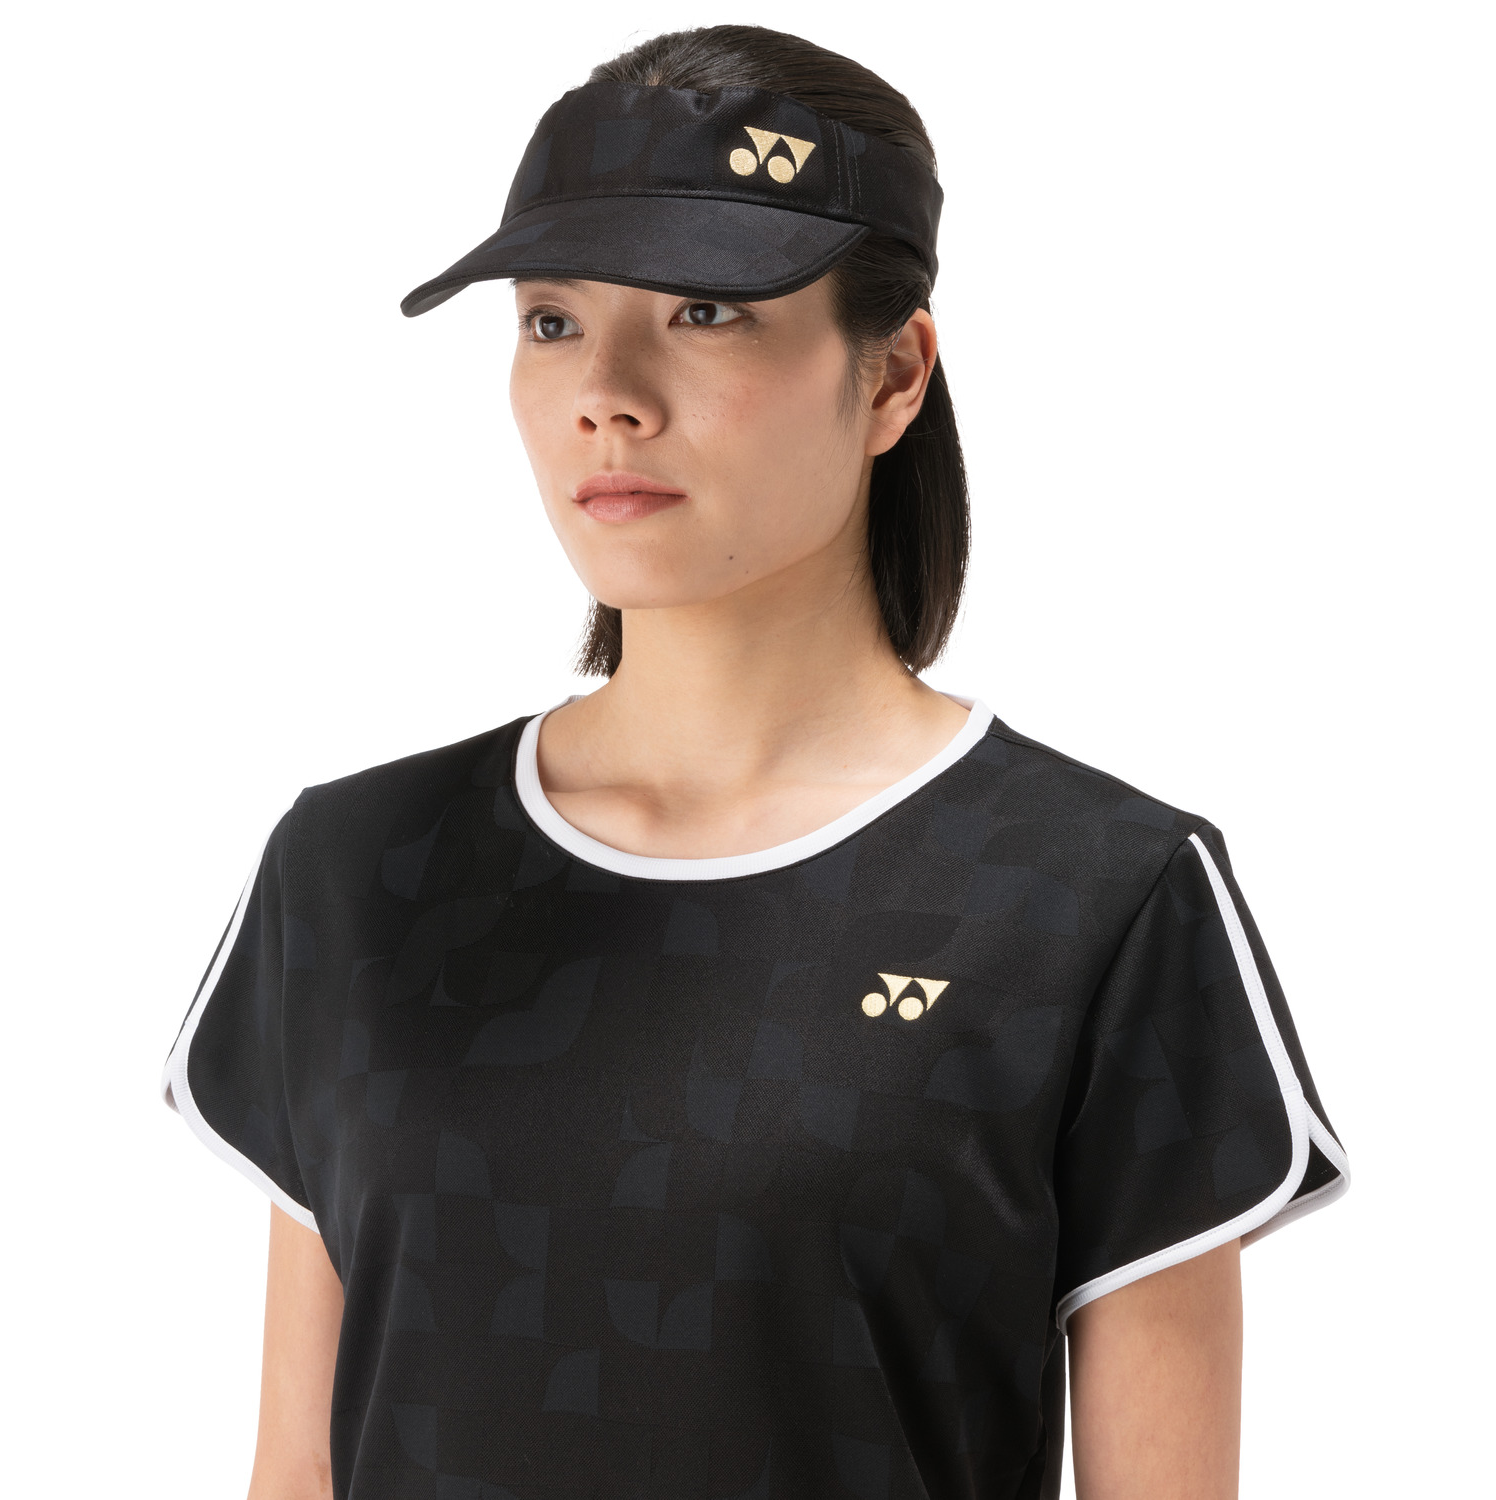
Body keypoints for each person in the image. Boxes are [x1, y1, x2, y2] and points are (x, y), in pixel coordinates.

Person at [161, 24, 1348, 1500]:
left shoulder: (1089, 897)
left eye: (707, 310)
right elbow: (297, 1471)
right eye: (552, 321)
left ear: (894, 375)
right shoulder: (358, 872)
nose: (608, 392)